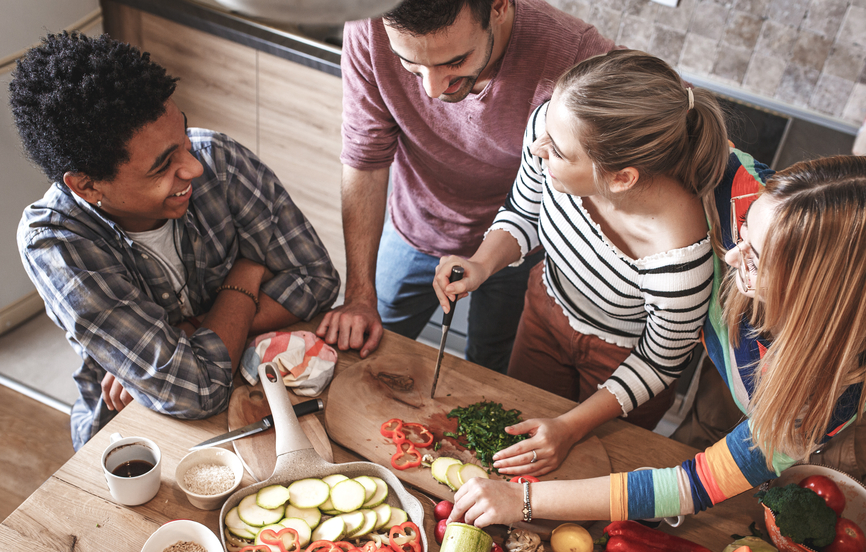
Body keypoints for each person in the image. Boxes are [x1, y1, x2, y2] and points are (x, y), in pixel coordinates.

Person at [449, 152, 866, 528]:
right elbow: (672, 112)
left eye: (756, 259)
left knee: (786, 525)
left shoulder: (833, 387)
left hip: (818, 430)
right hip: (740, 370)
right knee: (690, 444)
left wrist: (523, 500)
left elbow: (692, 487)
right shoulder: (742, 191)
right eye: (744, 231)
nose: (731, 257)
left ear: (818, 292)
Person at [11, 32, 340, 450]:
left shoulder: (220, 158)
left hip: (263, 389)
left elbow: (318, 280)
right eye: (164, 165)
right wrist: (248, 271)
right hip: (135, 430)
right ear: (88, 186)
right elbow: (196, 391)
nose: (193, 168)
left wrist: (182, 338)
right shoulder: (55, 244)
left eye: (182, 136)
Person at [434, 51, 729, 475]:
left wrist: (571, 428)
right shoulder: (552, 129)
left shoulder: (679, 263)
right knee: (516, 444)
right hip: (544, 310)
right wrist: (481, 264)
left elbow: (659, 364)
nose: (538, 148)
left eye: (557, 151)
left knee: (595, 474)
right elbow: (524, 212)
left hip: (624, 363)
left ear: (621, 178)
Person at [315, 0, 614, 372]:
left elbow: (680, 111)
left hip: (518, 248)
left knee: (491, 364)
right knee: (365, 349)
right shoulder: (370, 25)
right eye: (411, 65)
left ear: (499, 6)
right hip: (414, 226)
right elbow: (365, 158)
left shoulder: (574, 54)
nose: (432, 90)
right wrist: (359, 294)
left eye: (454, 62)